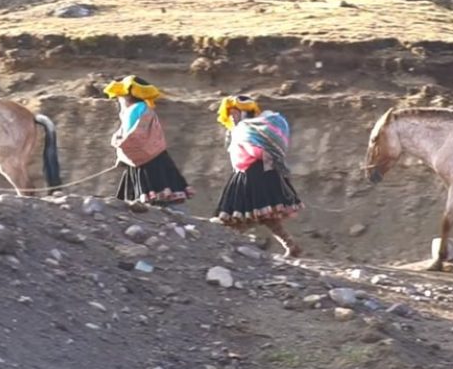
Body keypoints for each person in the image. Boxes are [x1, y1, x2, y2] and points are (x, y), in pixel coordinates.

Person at [213, 94, 304, 257]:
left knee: (238, 215)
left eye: (234, 114)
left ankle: (230, 247)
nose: (232, 118)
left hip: (251, 175)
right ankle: (290, 246)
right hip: (264, 172)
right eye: (231, 115)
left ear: (242, 113)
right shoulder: (257, 128)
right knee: (266, 216)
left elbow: (255, 152)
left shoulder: (243, 129)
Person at [103, 75, 194, 206]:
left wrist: (121, 154)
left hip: (141, 159)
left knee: (145, 196)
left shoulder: (132, 111)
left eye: (119, 96)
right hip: (157, 155)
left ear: (127, 96)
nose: (118, 100)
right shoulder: (145, 108)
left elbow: (130, 138)